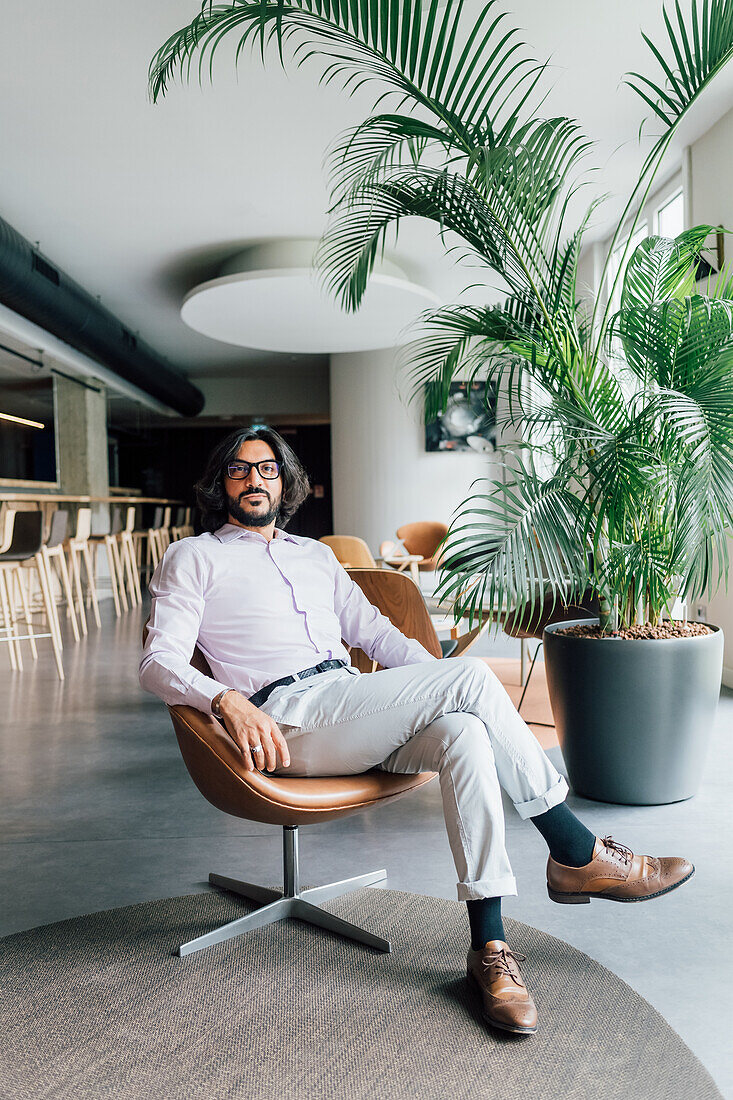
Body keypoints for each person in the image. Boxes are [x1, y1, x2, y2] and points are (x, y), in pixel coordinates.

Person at [140, 426, 694, 1037]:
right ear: (221, 483)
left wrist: (447, 687)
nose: (254, 481)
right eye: (239, 471)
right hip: (288, 721)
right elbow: (157, 662)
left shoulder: (316, 556)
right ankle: (575, 852)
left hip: (350, 701)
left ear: (285, 479)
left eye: (266, 469)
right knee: (470, 682)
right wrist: (224, 699)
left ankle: (490, 951)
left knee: (465, 731)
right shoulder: (193, 557)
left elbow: (379, 638)